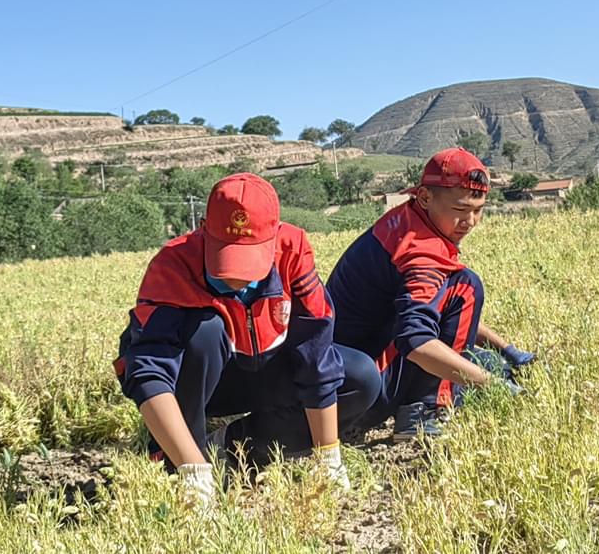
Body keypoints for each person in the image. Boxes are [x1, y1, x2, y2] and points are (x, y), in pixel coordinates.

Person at [114, 173, 380, 504]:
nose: (238, 279)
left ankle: (228, 447)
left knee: (361, 378)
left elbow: (316, 354)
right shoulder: (174, 264)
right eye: (225, 260)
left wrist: (328, 459)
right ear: (202, 228)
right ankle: (182, 460)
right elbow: (149, 372)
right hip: (202, 384)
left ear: (275, 236)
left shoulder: (292, 251)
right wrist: (191, 470)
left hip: (263, 369)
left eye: (250, 260)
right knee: (205, 330)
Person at [326, 147, 537, 441]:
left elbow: (432, 309)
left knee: (487, 361)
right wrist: (494, 387)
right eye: (461, 210)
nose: (471, 221)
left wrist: (510, 352)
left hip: (340, 376)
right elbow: (417, 342)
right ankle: (422, 409)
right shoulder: (420, 251)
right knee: (466, 287)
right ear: (425, 197)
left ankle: (444, 389)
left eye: (479, 210)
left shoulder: (408, 221)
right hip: (363, 390)